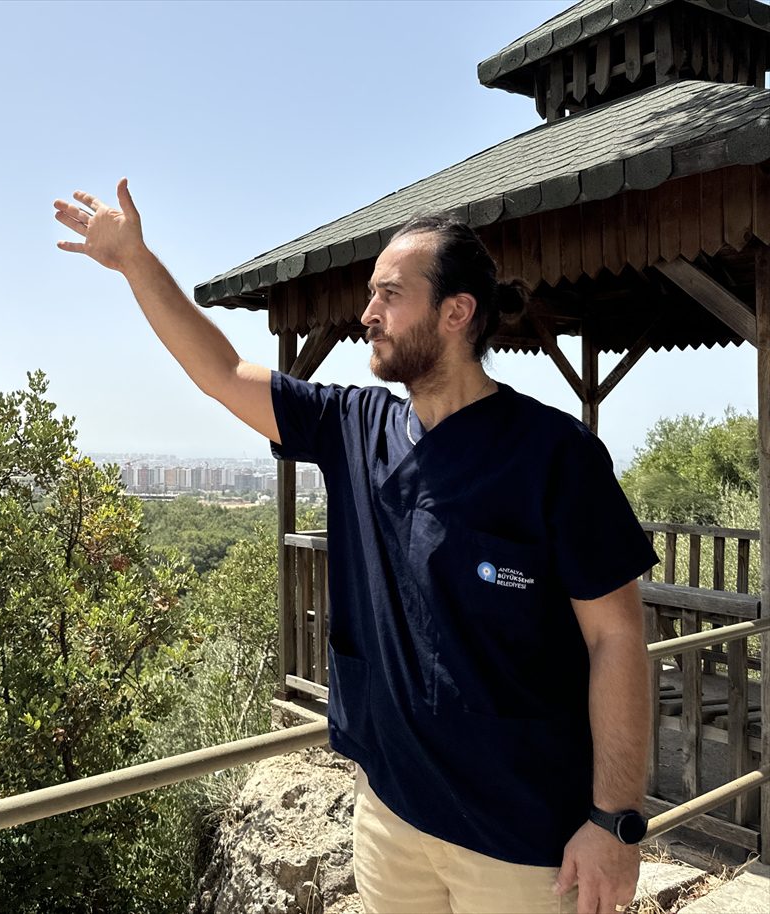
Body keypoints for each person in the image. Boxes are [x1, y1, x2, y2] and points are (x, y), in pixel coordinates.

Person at [54, 179, 657, 914]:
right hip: (390, 823)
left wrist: (614, 824)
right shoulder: (354, 427)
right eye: (370, 294)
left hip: (522, 847)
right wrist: (135, 263)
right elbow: (218, 373)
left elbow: (617, 639)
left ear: (456, 312)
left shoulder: (556, 456)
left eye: (390, 295)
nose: (366, 314)